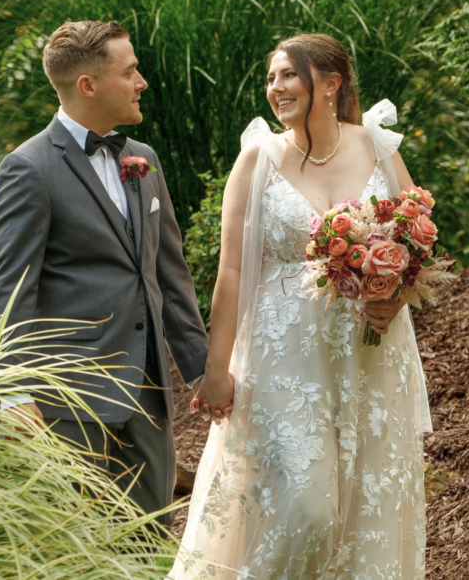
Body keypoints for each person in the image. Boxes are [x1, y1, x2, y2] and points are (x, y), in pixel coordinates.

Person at [172, 34, 433, 578]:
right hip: (283, 362)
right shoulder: (257, 160)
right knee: (306, 512)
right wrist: (215, 370)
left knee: (365, 516)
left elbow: (418, 246)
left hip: (369, 361)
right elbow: (233, 271)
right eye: (271, 78)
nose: (276, 88)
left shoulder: (377, 147)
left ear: (330, 83)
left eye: (288, 75)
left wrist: (396, 299)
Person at [0, 20, 212, 532]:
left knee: (150, 543)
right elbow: (9, 289)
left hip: (150, 399)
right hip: (69, 403)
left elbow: (168, 277)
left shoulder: (144, 160)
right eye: (130, 71)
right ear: (88, 85)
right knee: (79, 548)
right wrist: (15, 392)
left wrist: (203, 372)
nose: (142, 82)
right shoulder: (28, 168)